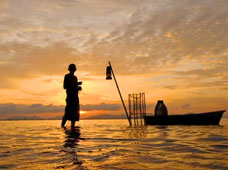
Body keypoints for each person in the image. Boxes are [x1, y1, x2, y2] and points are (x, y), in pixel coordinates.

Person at [61, 64, 82, 130]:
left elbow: (74, 88)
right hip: (70, 98)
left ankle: (72, 128)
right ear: (70, 69)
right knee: (67, 113)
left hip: (75, 97)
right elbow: (65, 86)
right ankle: (62, 127)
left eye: (74, 69)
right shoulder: (67, 76)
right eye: (73, 68)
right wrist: (76, 84)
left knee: (75, 114)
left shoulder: (75, 78)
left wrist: (78, 88)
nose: (73, 70)